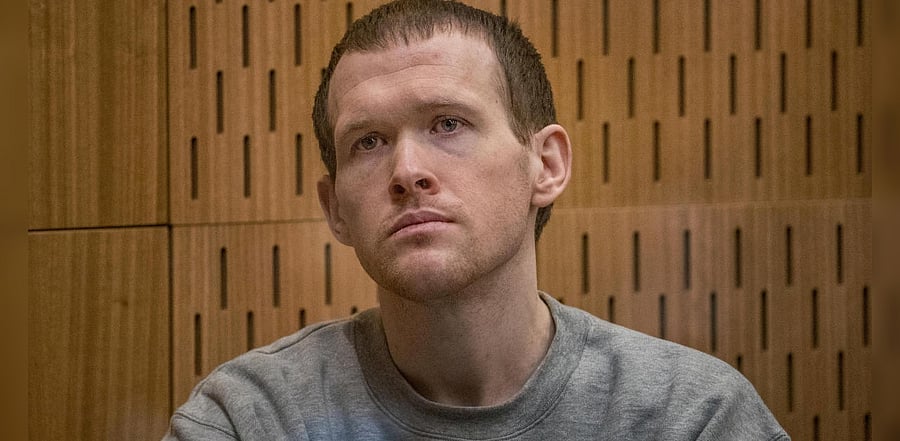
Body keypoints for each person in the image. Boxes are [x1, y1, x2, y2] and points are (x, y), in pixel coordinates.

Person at [164, 0, 790, 439]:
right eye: (368, 142)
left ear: (545, 165)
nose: (407, 170)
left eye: (448, 124)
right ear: (336, 210)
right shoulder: (249, 420)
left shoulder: (692, 418)